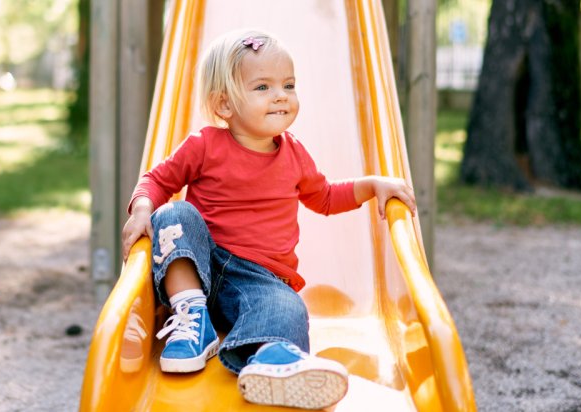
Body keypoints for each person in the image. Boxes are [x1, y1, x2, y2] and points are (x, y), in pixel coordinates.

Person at [120, 29, 417, 410]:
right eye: (263, 87)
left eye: (289, 85)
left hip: (259, 278)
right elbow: (157, 180)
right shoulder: (205, 144)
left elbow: (324, 197)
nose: (281, 95)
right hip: (201, 264)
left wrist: (370, 185)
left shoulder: (294, 155)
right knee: (174, 212)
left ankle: (271, 360)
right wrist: (143, 207)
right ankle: (192, 317)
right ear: (224, 105)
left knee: (287, 307)